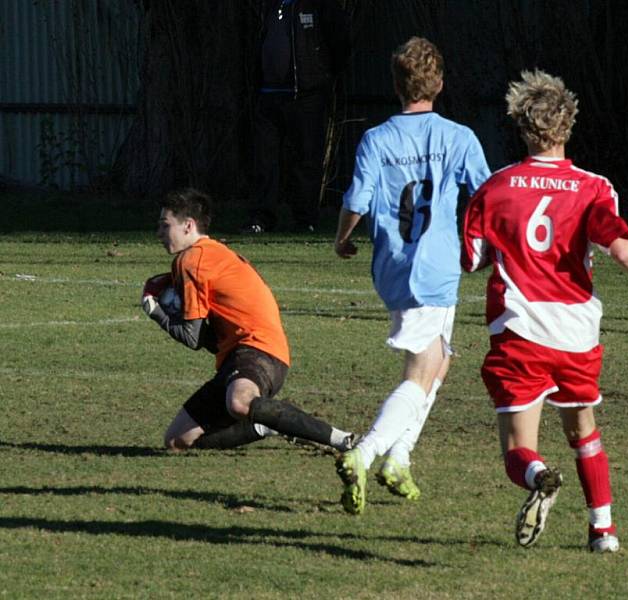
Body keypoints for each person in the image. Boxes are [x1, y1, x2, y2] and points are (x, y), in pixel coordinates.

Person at [461, 69, 628, 553]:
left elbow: (473, 259)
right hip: (577, 336)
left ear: (522, 127)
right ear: (568, 124)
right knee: (583, 430)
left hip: (520, 330)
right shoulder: (594, 188)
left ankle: (540, 475)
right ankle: (603, 531)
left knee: (517, 451)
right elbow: (622, 249)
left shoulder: (495, 188)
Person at [332, 37, 491, 514]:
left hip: (393, 265)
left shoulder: (376, 139)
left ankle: (399, 458)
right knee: (424, 367)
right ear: (439, 84)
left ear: (396, 85)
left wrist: (342, 239)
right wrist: (486, 246)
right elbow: (486, 195)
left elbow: (357, 201)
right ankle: (366, 451)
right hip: (436, 267)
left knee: (438, 361)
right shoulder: (459, 136)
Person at [142, 188, 356, 453]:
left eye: (165, 226)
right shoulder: (209, 253)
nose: (159, 233)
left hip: (256, 349)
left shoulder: (192, 260)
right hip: (239, 355)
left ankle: (338, 438)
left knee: (240, 402)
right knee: (177, 441)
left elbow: (191, 337)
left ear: (188, 226)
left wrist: (156, 311)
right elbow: (209, 339)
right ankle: (265, 424)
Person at [245, 0, 352, 233]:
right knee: (265, 160)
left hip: (306, 94)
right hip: (269, 93)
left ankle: (305, 220)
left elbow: (340, 40)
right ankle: (261, 218)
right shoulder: (269, 7)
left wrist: (321, 75)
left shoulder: (317, 5)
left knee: (306, 159)